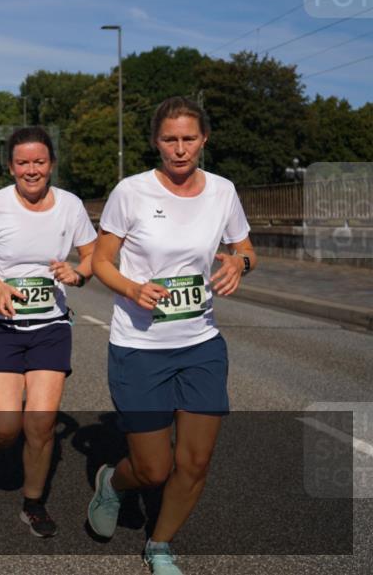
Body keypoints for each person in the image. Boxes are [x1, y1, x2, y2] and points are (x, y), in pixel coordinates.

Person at [86, 98, 255, 574]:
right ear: (156, 142)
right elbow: (101, 260)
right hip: (140, 347)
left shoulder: (222, 191)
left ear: (204, 139)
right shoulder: (131, 192)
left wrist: (239, 263)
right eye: (169, 139)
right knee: (153, 469)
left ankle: (160, 545)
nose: (179, 150)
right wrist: (131, 287)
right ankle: (112, 484)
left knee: (196, 461)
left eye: (188, 139)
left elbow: (245, 247)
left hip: (201, 343)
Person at [0, 126, 95, 537]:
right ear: (11, 166)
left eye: (39, 162)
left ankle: (33, 503)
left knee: (41, 424)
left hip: (50, 325)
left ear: (51, 163)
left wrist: (78, 273)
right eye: (22, 163)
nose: (31, 171)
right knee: (5, 426)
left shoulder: (70, 206)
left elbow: (92, 256)